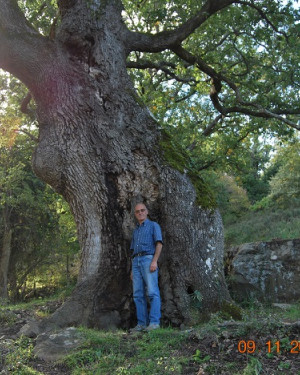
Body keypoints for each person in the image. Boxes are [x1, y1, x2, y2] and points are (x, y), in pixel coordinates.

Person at [130, 203, 163, 332]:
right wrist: (132, 269)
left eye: (142, 210)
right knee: (138, 294)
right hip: (136, 261)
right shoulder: (136, 230)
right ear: (135, 214)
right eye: (137, 211)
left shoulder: (153, 226)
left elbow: (159, 244)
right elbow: (132, 251)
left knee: (152, 292)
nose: (140, 213)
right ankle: (141, 324)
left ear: (147, 211)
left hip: (148, 259)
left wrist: (154, 261)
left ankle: (154, 323)